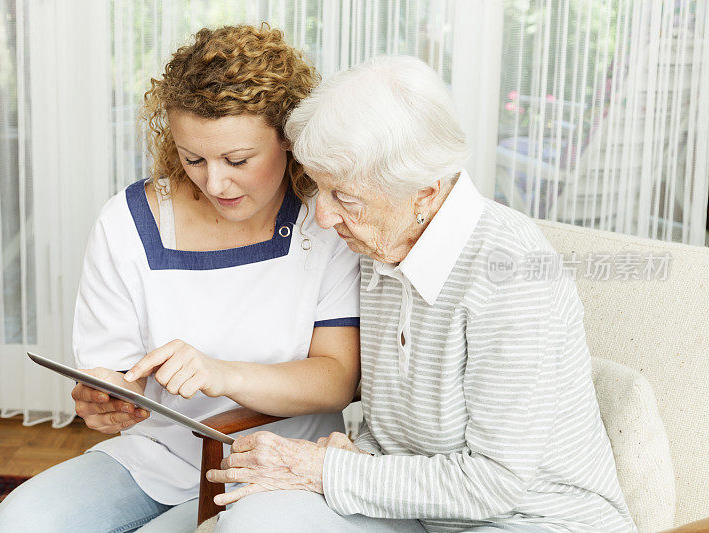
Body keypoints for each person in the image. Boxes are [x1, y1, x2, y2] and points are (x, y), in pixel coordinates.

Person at [207, 56, 637, 532]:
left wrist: (325, 470)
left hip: (532, 519)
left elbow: (495, 482)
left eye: (343, 197)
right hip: (414, 508)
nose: (323, 217)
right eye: (318, 188)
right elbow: (392, 425)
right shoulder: (379, 243)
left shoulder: (510, 273)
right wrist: (355, 453)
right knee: (252, 522)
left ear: (426, 192)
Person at [0, 24, 361, 533]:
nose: (214, 182)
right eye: (193, 159)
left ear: (291, 139)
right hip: (159, 457)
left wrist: (223, 374)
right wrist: (105, 395)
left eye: (237, 160)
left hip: (281, 461)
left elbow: (337, 379)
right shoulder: (127, 222)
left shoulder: (327, 221)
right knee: (21, 525)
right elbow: (114, 371)